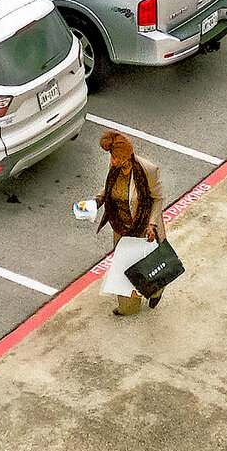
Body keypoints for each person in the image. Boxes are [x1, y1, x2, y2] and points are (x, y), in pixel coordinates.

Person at [94, 129, 165, 316]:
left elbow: (158, 198)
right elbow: (108, 189)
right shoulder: (115, 168)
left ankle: (156, 290)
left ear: (126, 157)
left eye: (116, 158)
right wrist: (95, 201)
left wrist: (152, 224)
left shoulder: (148, 170)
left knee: (144, 267)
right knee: (125, 268)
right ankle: (128, 307)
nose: (112, 161)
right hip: (122, 228)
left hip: (143, 228)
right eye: (112, 157)